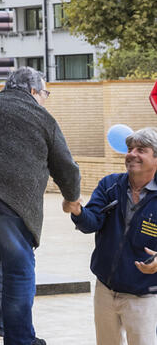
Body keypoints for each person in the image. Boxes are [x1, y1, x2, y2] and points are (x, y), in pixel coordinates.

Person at [0, 67, 81, 345]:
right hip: (16, 210)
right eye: (45, 93)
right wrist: (72, 197)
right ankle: (20, 339)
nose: (45, 99)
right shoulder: (42, 117)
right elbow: (67, 168)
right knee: (18, 276)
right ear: (33, 91)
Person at [67, 126, 157, 345]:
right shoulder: (110, 185)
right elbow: (92, 223)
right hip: (105, 290)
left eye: (141, 150)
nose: (132, 154)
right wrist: (78, 211)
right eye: (130, 148)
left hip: (143, 294)